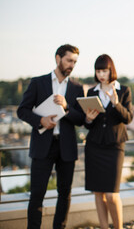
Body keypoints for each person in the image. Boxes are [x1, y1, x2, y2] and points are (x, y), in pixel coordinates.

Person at [17, 44, 85, 229]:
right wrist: (41, 121)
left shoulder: (77, 88)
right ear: (58, 58)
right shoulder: (38, 82)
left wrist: (67, 108)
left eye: (75, 62)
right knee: (37, 194)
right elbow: (22, 111)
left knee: (65, 194)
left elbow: (81, 119)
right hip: (42, 146)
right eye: (69, 60)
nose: (72, 65)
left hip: (67, 148)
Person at [84, 54, 133, 229]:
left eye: (104, 70)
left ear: (111, 70)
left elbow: (128, 118)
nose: (101, 74)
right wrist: (88, 119)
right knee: (98, 193)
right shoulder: (91, 92)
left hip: (115, 146)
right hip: (94, 146)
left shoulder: (124, 90)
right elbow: (88, 125)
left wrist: (116, 103)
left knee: (112, 195)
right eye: (98, 71)